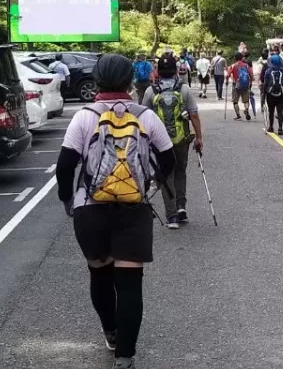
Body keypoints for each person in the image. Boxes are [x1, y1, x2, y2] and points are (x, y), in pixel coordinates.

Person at [56, 54, 176, 369]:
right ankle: (125, 356)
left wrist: (68, 199)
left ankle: (110, 331)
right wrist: (149, 186)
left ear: (96, 80)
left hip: (90, 209)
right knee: (130, 282)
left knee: (100, 273)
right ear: (129, 81)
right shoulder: (146, 116)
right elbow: (168, 158)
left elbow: (65, 165)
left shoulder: (83, 117)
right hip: (134, 208)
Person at [142, 53, 204, 230]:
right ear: (176, 71)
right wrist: (199, 137)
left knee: (166, 175)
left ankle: (172, 216)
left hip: (159, 142)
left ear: (158, 72)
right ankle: (181, 206)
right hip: (181, 139)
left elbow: (144, 116)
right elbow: (193, 114)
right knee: (180, 171)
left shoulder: (151, 91)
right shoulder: (184, 89)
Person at [261, 53, 283, 134]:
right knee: (280, 111)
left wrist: (264, 94)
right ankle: (280, 128)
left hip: (270, 94)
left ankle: (271, 127)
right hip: (281, 94)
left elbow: (265, 84)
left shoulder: (268, 71)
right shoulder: (282, 71)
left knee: (271, 111)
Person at [227, 53, 252, 121]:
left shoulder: (233, 65)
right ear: (242, 58)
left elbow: (227, 75)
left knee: (235, 101)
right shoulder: (246, 65)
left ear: (235, 58)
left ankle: (238, 115)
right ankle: (246, 109)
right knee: (246, 100)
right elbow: (251, 74)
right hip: (245, 85)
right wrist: (250, 82)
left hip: (236, 85)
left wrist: (226, 81)